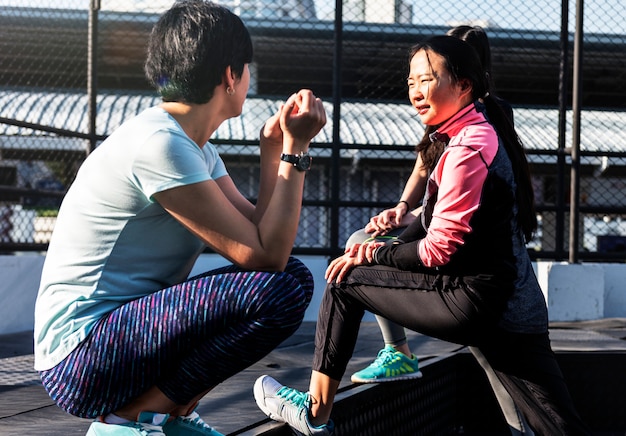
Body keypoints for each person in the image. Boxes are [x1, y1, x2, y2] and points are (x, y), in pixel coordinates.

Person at [253, 35, 590, 435]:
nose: (415, 92)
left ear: (464, 85)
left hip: (477, 302)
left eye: (426, 80)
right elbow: (431, 222)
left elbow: (437, 250)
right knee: (557, 425)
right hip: (513, 306)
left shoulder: (468, 146)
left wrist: (370, 256)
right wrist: (386, 238)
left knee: (345, 280)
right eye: (410, 82)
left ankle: (315, 412)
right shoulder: (464, 134)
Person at [33, 2, 326, 436]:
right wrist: (296, 151)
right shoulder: (159, 145)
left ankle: (167, 415)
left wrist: (273, 150)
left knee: (293, 280)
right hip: (80, 358)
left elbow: (264, 237)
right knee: (281, 289)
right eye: (246, 68)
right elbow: (266, 257)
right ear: (231, 75)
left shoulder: (193, 147)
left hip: (115, 342)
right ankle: (130, 421)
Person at [348, 24, 534, 436]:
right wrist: (400, 209)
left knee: (497, 358)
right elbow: (423, 166)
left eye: (436, 68)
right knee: (361, 241)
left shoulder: (486, 119)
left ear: (466, 72)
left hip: (472, 237)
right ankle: (397, 352)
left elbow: (487, 187)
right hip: (440, 220)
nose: (421, 80)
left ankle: (521, 427)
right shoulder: (442, 115)